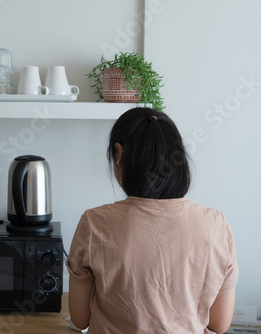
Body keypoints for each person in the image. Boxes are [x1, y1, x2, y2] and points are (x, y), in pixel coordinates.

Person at [66, 107, 238, 333]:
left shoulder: (94, 223)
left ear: (119, 154)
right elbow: (220, 324)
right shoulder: (216, 225)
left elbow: (80, 320)